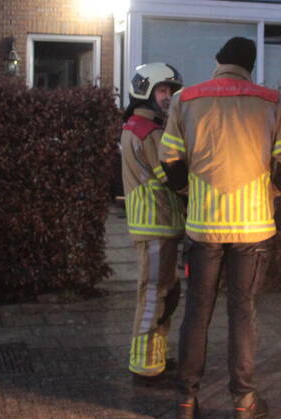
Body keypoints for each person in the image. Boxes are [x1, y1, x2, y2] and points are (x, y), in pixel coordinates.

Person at [160, 37, 281, 419]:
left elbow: (169, 160)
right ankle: (244, 402)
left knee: (196, 313)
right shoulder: (273, 102)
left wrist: (190, 190)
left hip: (204, 227)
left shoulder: (186, 99)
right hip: (254, 229)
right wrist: (268, 191)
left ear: (218, 61)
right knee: (243, 313)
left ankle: (186, 401)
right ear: (250, 66)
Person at [120, 62, 185, 386]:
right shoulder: (150, 132)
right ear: (144, 91)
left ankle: (154, 356)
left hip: (155, 225)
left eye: (171, 91)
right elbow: (173, 177)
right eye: (162, 90)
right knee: (154, 295)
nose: (168, 97)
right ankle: (145, 364)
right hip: (157, 224)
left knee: (164, 294)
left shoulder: (136, 126)